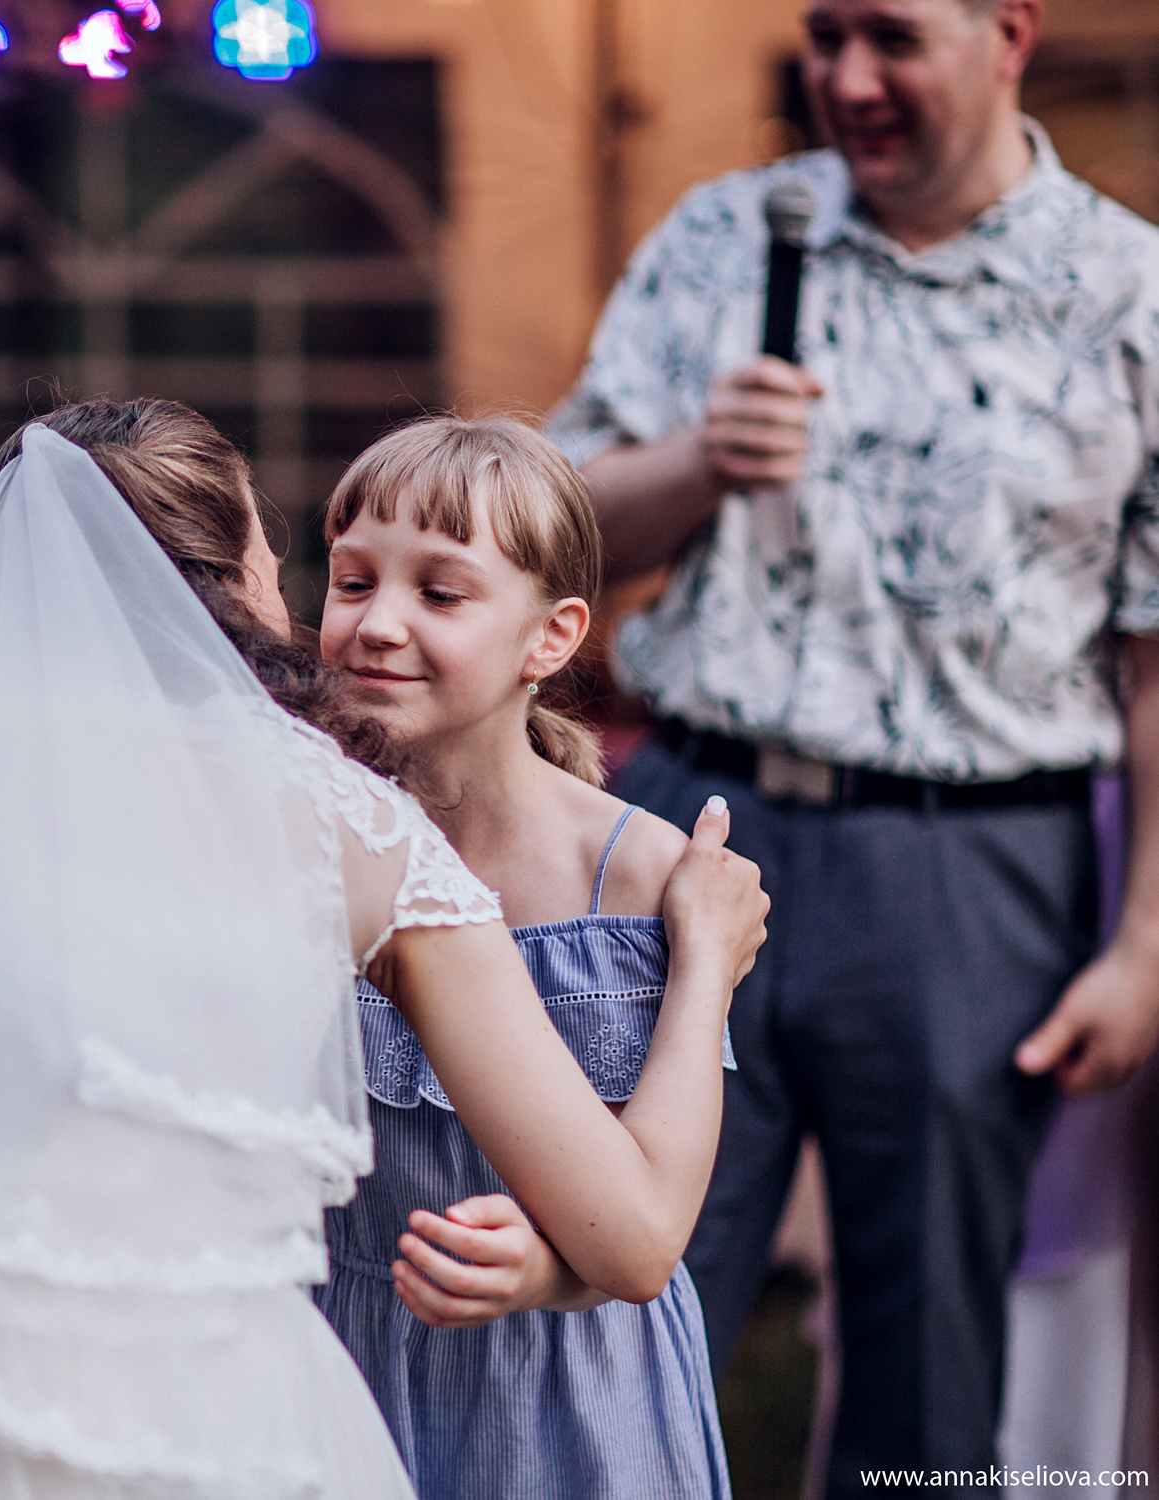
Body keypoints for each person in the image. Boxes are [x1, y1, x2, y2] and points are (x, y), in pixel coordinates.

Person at [0, 399, 769, 1499]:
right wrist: (707, 967)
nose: (347, 615)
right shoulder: (334, 822)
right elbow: (629, 1232)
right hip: (192, 1398)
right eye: (304, 565)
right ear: (223, 593)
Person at [547, 0, 1159, 1486]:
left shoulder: (1127, 291)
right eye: (823, 37)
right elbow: (549, 539)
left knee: (930, 1356)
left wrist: (1146, 945)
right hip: (691, 824)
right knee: (630, 1300)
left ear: (1006, 31)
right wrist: (697, 461)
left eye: (889, 37)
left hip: (973, 871)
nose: (844, 78)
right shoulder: (724, 234)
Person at [314, 417, 731, 1498]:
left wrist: (550, 1275)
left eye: (439, 594)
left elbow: (655, 1208)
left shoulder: (639, 872)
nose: (377, 623)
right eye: (352, 581)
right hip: (341, 1369)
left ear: (550, 638)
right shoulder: (311, 842)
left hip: (569, 1398)